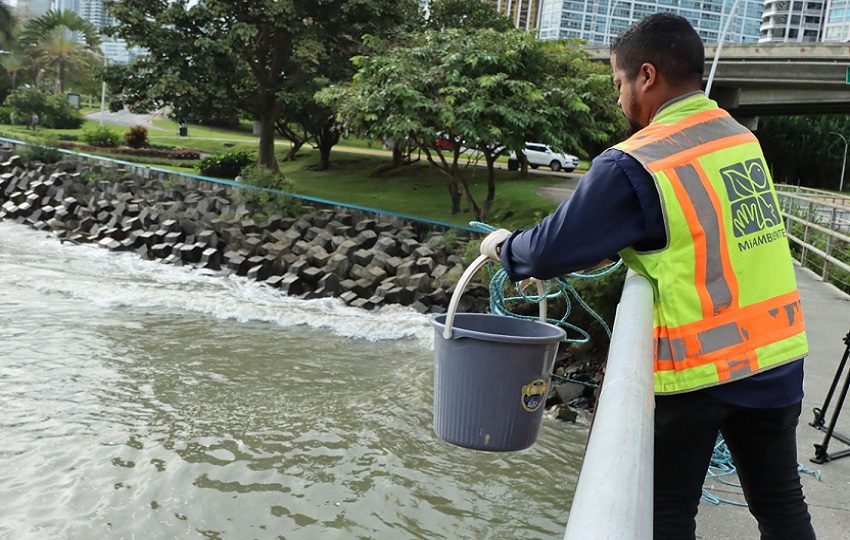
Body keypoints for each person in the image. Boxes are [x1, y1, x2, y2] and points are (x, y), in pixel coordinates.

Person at [479, 13, 815, 540]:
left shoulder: (637, 162)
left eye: (618, 83)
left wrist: (502, 247)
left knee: (665, 516)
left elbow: (550, 251)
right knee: (780, 505)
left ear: (647, 76)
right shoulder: (739, 138)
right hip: (776, 356)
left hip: (701, 371)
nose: (618, 100)